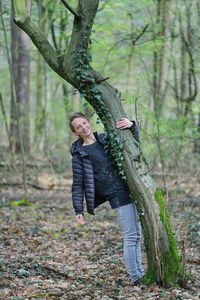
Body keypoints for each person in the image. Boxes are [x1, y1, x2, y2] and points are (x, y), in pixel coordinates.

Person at [69, 112, 145, 284]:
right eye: (78, 127)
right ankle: (136, 276)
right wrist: (78, 209)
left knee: (136, 234)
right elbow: (78, 184)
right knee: (130, 235)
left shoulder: (105, 139)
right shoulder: (79, 154)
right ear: (76, 133)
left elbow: (133, 147)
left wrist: (132, 126)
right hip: (115, 193)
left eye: (84, 123)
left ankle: (140, 272)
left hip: (130, 188)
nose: (84, 127)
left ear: (88, 122)